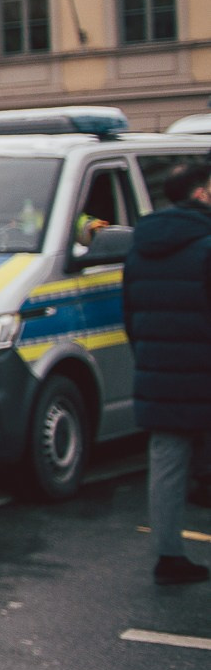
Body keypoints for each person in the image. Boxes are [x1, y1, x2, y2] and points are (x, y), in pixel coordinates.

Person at [126, 158, 211, 586]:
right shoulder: (207, 243)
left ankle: (168, 556)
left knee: (166, 468)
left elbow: (130, 314)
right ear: (201, 193)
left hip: (160, 373)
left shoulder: (141, 245)